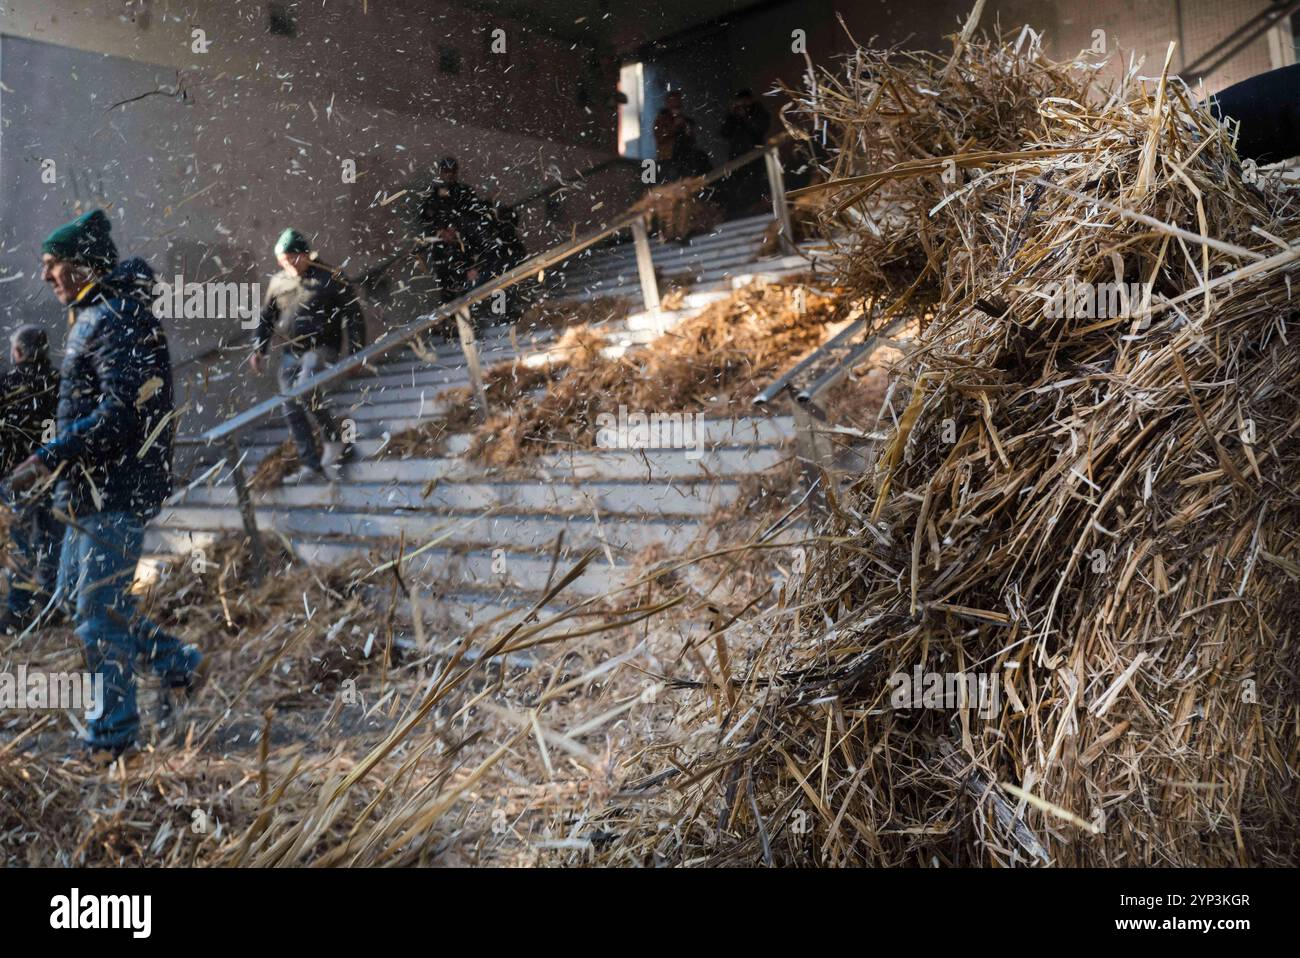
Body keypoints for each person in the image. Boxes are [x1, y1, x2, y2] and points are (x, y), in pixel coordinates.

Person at [7, 208, 203, 758]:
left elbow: (122, 412)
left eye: (53, 264)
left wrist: (49, 456)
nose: (46, 275)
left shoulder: (115, 316)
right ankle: (176, 661)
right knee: (79, 597)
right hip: (90, 491)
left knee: (97, 615)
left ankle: (112, 737)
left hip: (116, 490)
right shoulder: (92, 315)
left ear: (80, 265)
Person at [250, 228, 367, 484]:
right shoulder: (279, 282)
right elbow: (266, 318)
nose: (289, 265)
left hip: (323, 348)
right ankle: (312, 463)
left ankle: (334, 440)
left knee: (306, 385)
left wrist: (357, 352)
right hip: (292, 351)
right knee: (290, 407)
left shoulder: (330, 277)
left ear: (306, 254)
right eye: (283, 261)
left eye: (293, 258)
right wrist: (259, 349)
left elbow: (354, 315)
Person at [0, 325, 61, 634]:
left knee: (20, 546)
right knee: (52, 541)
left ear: (18, 352)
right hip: (53, 473)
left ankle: (20, 610)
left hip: (16, 477)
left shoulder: (7, 384)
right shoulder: (59, 381)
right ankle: (53, 605)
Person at [416, 156, 491, 309]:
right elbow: (424, 218)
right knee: (446, 289)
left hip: (464, 247)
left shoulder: (464, 191)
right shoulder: (432, 193)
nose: (449, 175)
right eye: (445, 171)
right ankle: (452, 327)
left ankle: (469, 323)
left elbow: (475, 215)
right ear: (440, 172)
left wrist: (458, 228)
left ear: (456, 172)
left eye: (451, 171)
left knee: (468, 287)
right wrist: (439, 231)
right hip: (442, 249)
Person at [720, 88, 773, 213]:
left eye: (745, 101)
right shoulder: (734, 115)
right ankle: (746, 209)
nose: (743, 104)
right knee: (741, 186)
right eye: (740, 101)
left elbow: (760, 128)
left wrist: (747, 117)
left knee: (760, 183)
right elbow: (724, 133)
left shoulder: (758, 111)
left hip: (756, 154)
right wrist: (732, 115)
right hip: (737, 155)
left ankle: (765, 207)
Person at [653, 90, 711, 182]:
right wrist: (674, 127)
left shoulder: (685, 120)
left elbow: (691, 139)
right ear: (668, 103)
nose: (676, 104)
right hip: (669, 160)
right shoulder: (662, 120)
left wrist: (688, 129)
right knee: (672, 187)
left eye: (678, 101)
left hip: (685, 160)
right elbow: (660, 137)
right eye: (673, 101)